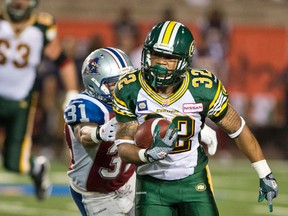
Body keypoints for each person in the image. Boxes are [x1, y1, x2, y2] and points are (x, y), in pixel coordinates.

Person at [113, 21, 279, 216]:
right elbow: (123, 146)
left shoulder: (203, 87)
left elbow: (238, 129)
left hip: (192, 181)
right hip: (151, 186)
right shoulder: (130, 88)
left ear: (185, 60)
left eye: (169, 58)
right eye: (156, 55)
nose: (160, 63)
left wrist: (264, 173)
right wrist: (147, 155)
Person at [0, 0, 79, 200]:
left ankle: (37, 168)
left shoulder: (42, 26)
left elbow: (63, 60)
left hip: (21, 102)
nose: (18, 3)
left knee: (15, 163)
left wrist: (71, 92)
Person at [63, 47, 136, 216]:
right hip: (95, 193)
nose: (124, 88)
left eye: (126, 81)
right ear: (96, 84)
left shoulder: (133, 99)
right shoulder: (84, 104)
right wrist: (100, 133)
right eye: (115, 83)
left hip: (129, 181)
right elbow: (83, 133)